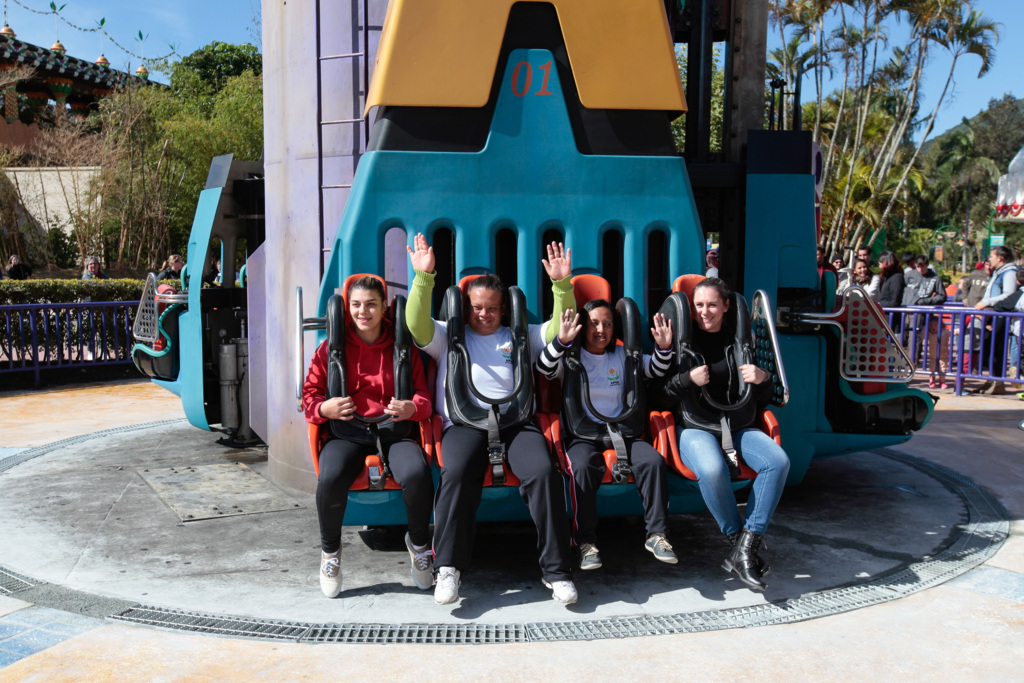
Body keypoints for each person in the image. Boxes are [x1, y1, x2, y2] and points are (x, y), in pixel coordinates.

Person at [406, 233, 577, 605]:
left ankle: (557, 571)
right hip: (464, 424)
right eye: (477, 307)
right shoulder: (448, 336)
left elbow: (556, 328)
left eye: (492, 308)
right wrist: (423, 278)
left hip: (516, 423)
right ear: (466, 307)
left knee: (543, 474)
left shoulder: (520, 336)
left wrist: (562, 286)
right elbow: (416, 325)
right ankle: (448, 568)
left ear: (504, 310)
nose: (484, 314)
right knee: (456, 474)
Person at [301, 276, 435, 598]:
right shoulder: (330, 350)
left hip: (393, 431)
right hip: (347, 430)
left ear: (385, 307)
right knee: (330, 477)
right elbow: (309, 398)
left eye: (371, 304)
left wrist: (411, 408)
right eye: (357, 305)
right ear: (348, 308)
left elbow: (425, 398)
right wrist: (325, 409)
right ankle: (330, 553)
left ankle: (419, 546)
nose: (364, 312)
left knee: (417, 474)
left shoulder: (402, 349)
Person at [659, 277, 789, 591]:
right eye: (699, 305)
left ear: (726, 306)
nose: (705, 311)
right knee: (712, 468)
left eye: (712, 304)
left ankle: (745, 546)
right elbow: (658, 396)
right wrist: (687, 379)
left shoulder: (740, 342)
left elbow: (763, 398)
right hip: (695, 427)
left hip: (738, 425)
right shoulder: (679, 341)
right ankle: (737, 542)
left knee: (778, 461)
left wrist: (763, 377)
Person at [536, 301, 676, 570]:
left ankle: (657, 534)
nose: (601, 330)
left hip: (623, 433)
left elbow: (656, 369)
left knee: (653, 461)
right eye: (594, 323)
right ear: (583, 327)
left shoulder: (624, 355)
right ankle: (585, 541)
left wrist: (664, 348)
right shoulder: (571, 358)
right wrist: (561, 341)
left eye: (608, 324)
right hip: (582, 435)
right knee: (583, 467)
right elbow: (544, 367)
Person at [972, 247, 1019, 395]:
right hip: (993, 315)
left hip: (1000, 316)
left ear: (1000, 258)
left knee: (996, 349)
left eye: (992, 256)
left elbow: (1009, 294)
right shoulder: (999, 272)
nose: (989, 259)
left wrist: (986, 302)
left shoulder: (1009, 272)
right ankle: (991, 380)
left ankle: (998, 382)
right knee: (990, 347)